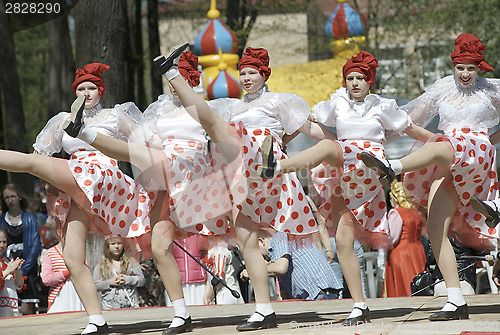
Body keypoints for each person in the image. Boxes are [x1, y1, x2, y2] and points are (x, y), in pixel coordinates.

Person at [152, 44, 343, 331]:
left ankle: (170, 73)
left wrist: (344, 143)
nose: (246, 78)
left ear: (264, 74)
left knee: (217, 125)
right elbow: (200, 118)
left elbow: (313, 132)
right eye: (242, 73)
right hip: (242, 173)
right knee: (247, 243)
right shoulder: (232, 106)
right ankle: (264, 311)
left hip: (268, 170)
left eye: (252, 72)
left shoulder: (279, 102)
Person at [61, 52, 236, 334]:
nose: (171, 85)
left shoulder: (204, 106)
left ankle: (263, 305)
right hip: (164, 172)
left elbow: (223, 136)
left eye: (176, 77)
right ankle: (181, 314)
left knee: (245, 236)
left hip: (191, 171)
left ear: (190, 79)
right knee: (159, 248)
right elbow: (146, 141)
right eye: (168, 78)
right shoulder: (159, 109)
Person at [258, 51, 433, 325]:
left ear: (370, 81)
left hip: (368, 163)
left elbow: (410, 129)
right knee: (341, 241)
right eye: (350, 78)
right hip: (344, 173)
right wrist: (282, 139)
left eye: (360, 78)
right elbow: (306, 120)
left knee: (328, 146)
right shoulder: (337, 102)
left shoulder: (382, 106)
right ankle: (360, 305)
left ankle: (276, 167)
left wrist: (439, 141)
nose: (354, 83)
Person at [0, 63, 155, 334]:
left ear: (101, 90)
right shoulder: (62, 119)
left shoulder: (114, 116)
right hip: (78, 183)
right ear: (75, 93)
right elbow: (41, 152)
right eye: (81, 88)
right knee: (72, 257)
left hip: (104, 177)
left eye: (91, 88)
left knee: (29, 164)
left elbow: (143, 145)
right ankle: (97, 320)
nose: (86, 92)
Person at [360, 33, 500, 321]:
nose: (464, 74)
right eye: (460, 67)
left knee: (445, 144)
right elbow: (411, 122)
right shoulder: (443, 88)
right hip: (448, 154)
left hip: (475, 150)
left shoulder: (491, 90)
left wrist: (489, 138)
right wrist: (380, 125)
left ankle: (394, 167)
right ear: (453, 65)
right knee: (435, 228)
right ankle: (456, 300)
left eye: (471, 68)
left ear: (479, 68)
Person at [242, 229, 342, 301]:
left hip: (321, 294)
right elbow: (284, 295)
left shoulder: (279, 238)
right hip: (320, 294)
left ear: (260, 241)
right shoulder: (279, 254)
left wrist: (251, 271)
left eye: (254, 251)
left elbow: (280, 268)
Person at [0, 183, 42, 315]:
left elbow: (36, 245)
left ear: (20, 197)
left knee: (27, 305)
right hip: (6, 264)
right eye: (7, 197)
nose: (10, 200)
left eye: (13, 196)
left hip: (26, 263)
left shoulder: (29, 218)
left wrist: (23, 269)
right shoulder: (1, 219)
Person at [384, 180, 426, 297]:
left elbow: (393, 238)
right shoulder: (415, 213)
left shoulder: (396, 213)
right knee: (418, 281)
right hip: (417, 251)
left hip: (401, 253)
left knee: (404, 284)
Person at [93, 235, 145, 309]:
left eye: (119, 243)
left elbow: (141, 280)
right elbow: (95, 286)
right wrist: (110, 282)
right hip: (109, 307)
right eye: (113, 244)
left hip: (130, 306)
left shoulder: (132, 262)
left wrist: (127, 279)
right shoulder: (100, 266)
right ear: (107, 246)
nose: (116, 246)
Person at [41, 240, 84, 313]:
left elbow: (86, 274)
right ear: (59, 232)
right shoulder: (50, 253)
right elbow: (46, 279)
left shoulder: (79, 251)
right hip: (59, 298)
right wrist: (65, 273)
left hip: (77, 298)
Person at [166, 236, 207, 307]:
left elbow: (208, 258)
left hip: (198, 283)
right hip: (175, 285)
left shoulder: (199, 232)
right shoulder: (169, 235)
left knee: (200, 311)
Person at [203, 237, 244, 305]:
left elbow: (219, 279)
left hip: (226, 293)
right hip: (221, 291)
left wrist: (209, 297)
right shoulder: (215, 249)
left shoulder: (220, 251)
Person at [0, 228, 24, 317]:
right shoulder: (8, 265)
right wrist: (8, 270)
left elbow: (19, 285)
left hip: (11, 306)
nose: (2, 245)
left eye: (4, 242)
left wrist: (17, 270)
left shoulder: (8, 261)